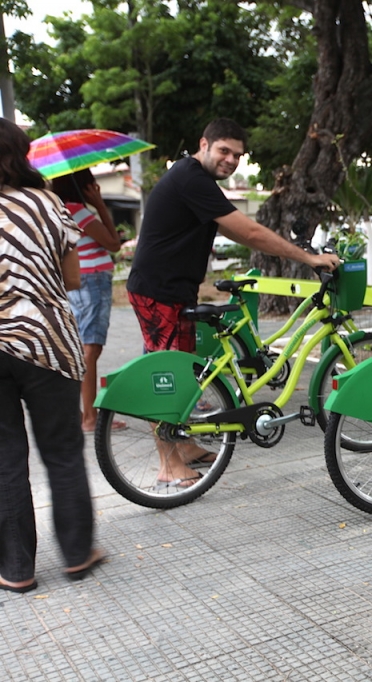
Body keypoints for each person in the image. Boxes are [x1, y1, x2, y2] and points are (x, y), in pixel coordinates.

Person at [126, 118, 340, 487]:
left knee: (181, 372)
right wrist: (309, 259)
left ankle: (186, 446)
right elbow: (251, 232)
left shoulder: (196, 181)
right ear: (203, 144)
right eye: (224, 151)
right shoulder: (191, 177)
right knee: (166, 377)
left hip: (173, 290)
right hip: (158, 291)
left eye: (238, 155)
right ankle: (168, 464)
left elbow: (231, 229)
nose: (231, 160)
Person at [0, 118, 106, 593]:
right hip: (48, 344)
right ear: (22, 154)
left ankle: (17, 569)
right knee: (62, 453)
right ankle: (78, 555)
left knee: (4, 459)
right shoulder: (49, 204)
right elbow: (74, 280)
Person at [50, 169, 123, 433]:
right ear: (84, 185)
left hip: (79, 281)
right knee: (89, 350)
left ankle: (83, 413)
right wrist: (100, 206)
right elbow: (113, 243)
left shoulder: (58, 209)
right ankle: (90, 417)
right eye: (92, 181)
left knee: (84, 349)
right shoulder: (78, 211)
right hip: (92, 281)